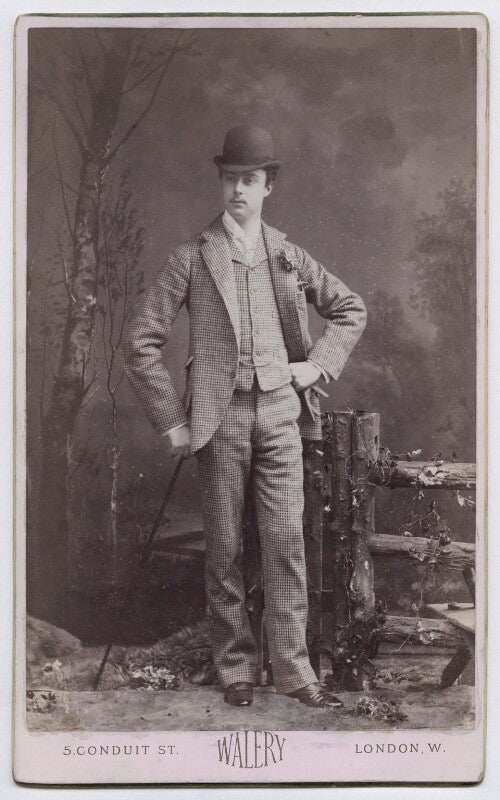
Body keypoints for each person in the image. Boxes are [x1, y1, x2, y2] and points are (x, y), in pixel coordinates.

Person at [123, 124, 367, 708]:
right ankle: (235, 668)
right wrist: (173, 422)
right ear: (221, 182)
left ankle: (294, 671)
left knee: (285, 542)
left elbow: (350, 308)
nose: (238, 190)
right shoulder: (191, 256)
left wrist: (315, 367)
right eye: (230, 179)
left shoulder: (287, 253)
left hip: (282, 414)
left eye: (249, 180)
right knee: (225, 546)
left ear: (268, 186)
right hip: (219, 419)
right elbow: (140, 341)